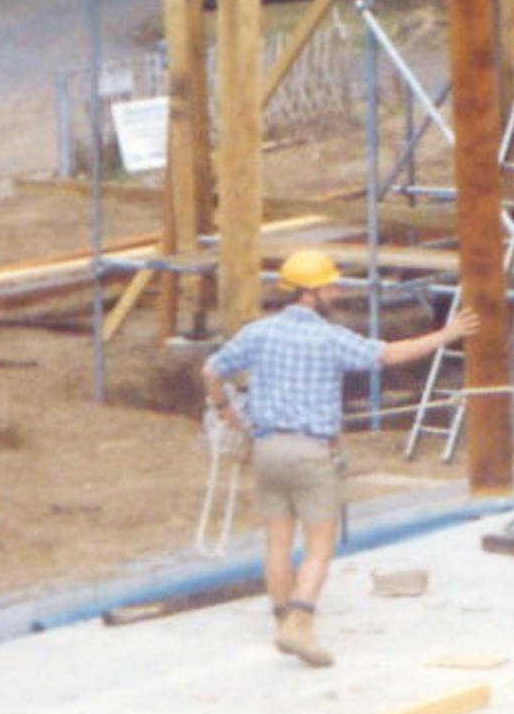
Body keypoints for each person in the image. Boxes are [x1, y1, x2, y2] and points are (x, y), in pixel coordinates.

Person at [202, 251, 473, 666]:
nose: (336, 292)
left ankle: (281, 621)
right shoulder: (329, 338)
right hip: (312, 454)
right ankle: (301, 622)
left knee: (277, 541)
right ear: (310, 293)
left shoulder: (259, 333)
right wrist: (446, 334)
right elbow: (387, 355)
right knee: (318, 546)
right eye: (330, 287)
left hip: (267, 450)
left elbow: (211, 370)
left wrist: (224, 409)